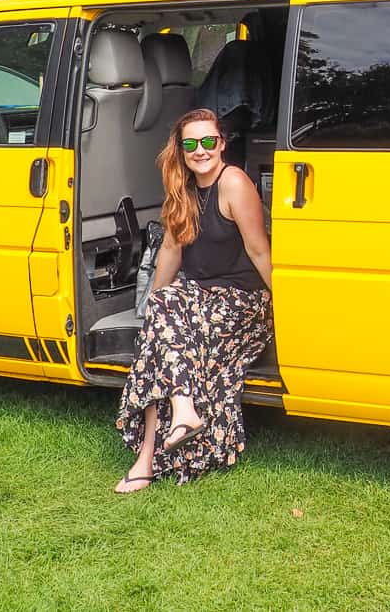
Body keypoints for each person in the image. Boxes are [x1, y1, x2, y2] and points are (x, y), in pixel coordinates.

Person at [114, 107, 274, 493]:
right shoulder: (181, 188)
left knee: (159, 337)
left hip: (242, 301)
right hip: (198, 297)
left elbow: (259, 252)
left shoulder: (233, 182)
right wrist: (152, 308)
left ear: (222, 144)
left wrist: (292, 311)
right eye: (191, 144)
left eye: (208, 142)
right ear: (181, 149)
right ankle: (175, 423)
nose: (200, 150)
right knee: (159, 326)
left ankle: (147, 458)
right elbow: (170, 249)